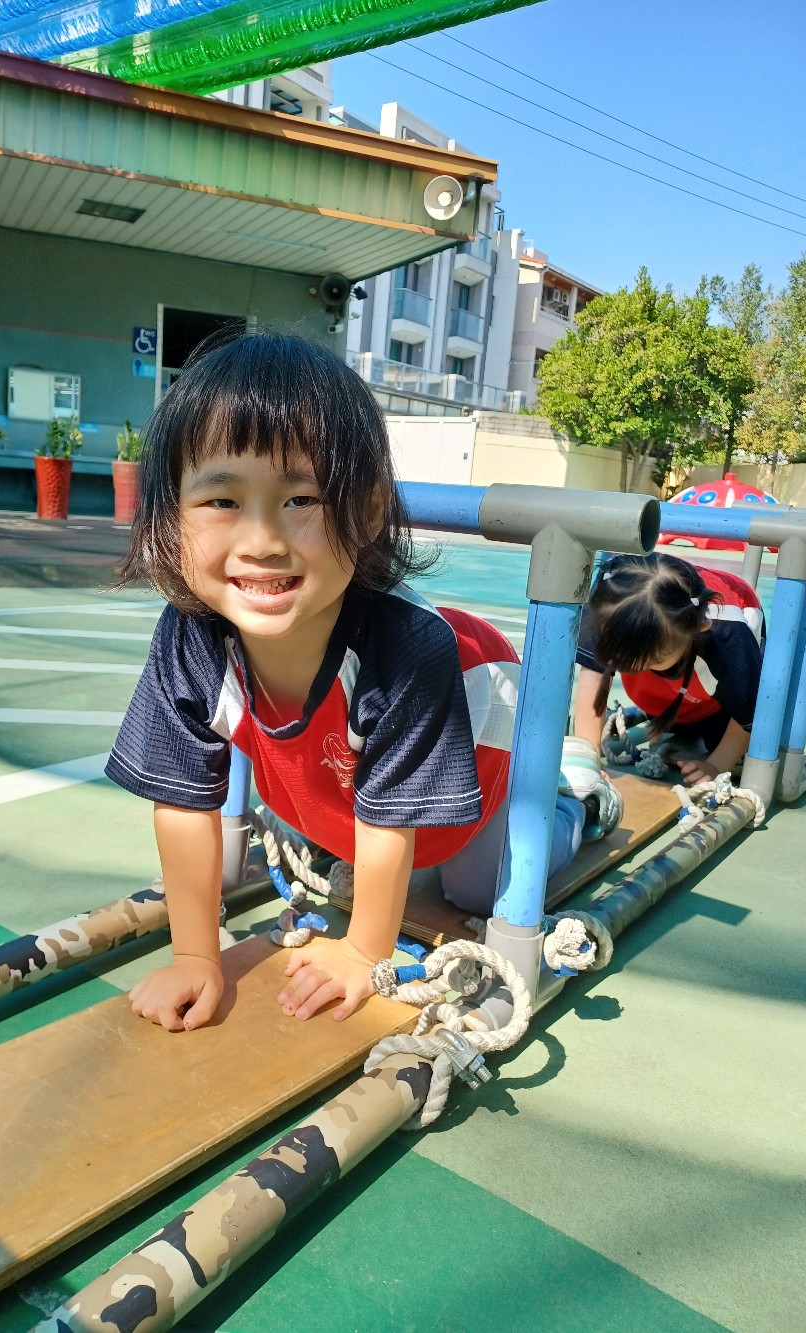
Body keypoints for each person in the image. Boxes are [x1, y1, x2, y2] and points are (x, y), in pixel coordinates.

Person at [106, 331, 593, 1034]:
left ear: (365, 512)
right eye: (221, 501)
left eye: (301, 498)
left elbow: (390, 824)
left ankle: (578, 798)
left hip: (483, 749)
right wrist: (195, 955)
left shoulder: (407, 649)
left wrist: (364, 951)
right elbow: (184, 801)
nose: (262, 540)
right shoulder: (190, 635)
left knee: (474, 885)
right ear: (170, 515)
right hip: (353, 776)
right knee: (331, 824)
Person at [573, 553, 765, 785]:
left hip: (720, 699)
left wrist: (716, 765)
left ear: (699, 627)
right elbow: (593, 676)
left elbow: (751, 712)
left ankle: (694, 721)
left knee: (727, 740)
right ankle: (663, 710)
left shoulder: (728, 636)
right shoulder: (611, 603)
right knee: (655, 699)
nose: (633, 667)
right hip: (669, 670)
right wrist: (588, 761)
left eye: (652, 660)